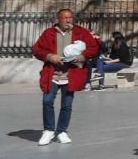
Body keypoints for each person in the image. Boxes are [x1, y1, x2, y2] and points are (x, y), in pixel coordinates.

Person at [32, 8, 97, 145]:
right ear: (58, 19)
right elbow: (37, 49)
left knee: (67, 104)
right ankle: (49, 130)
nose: (68, 20)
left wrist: (82, 56)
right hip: (52, 74)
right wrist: (50, 56)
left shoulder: (81, 32)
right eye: (65, 18)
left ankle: (61, 131)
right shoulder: (49, 33)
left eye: (70, 17)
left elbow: (93, 47)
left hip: (71, 74)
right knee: (47, 101)